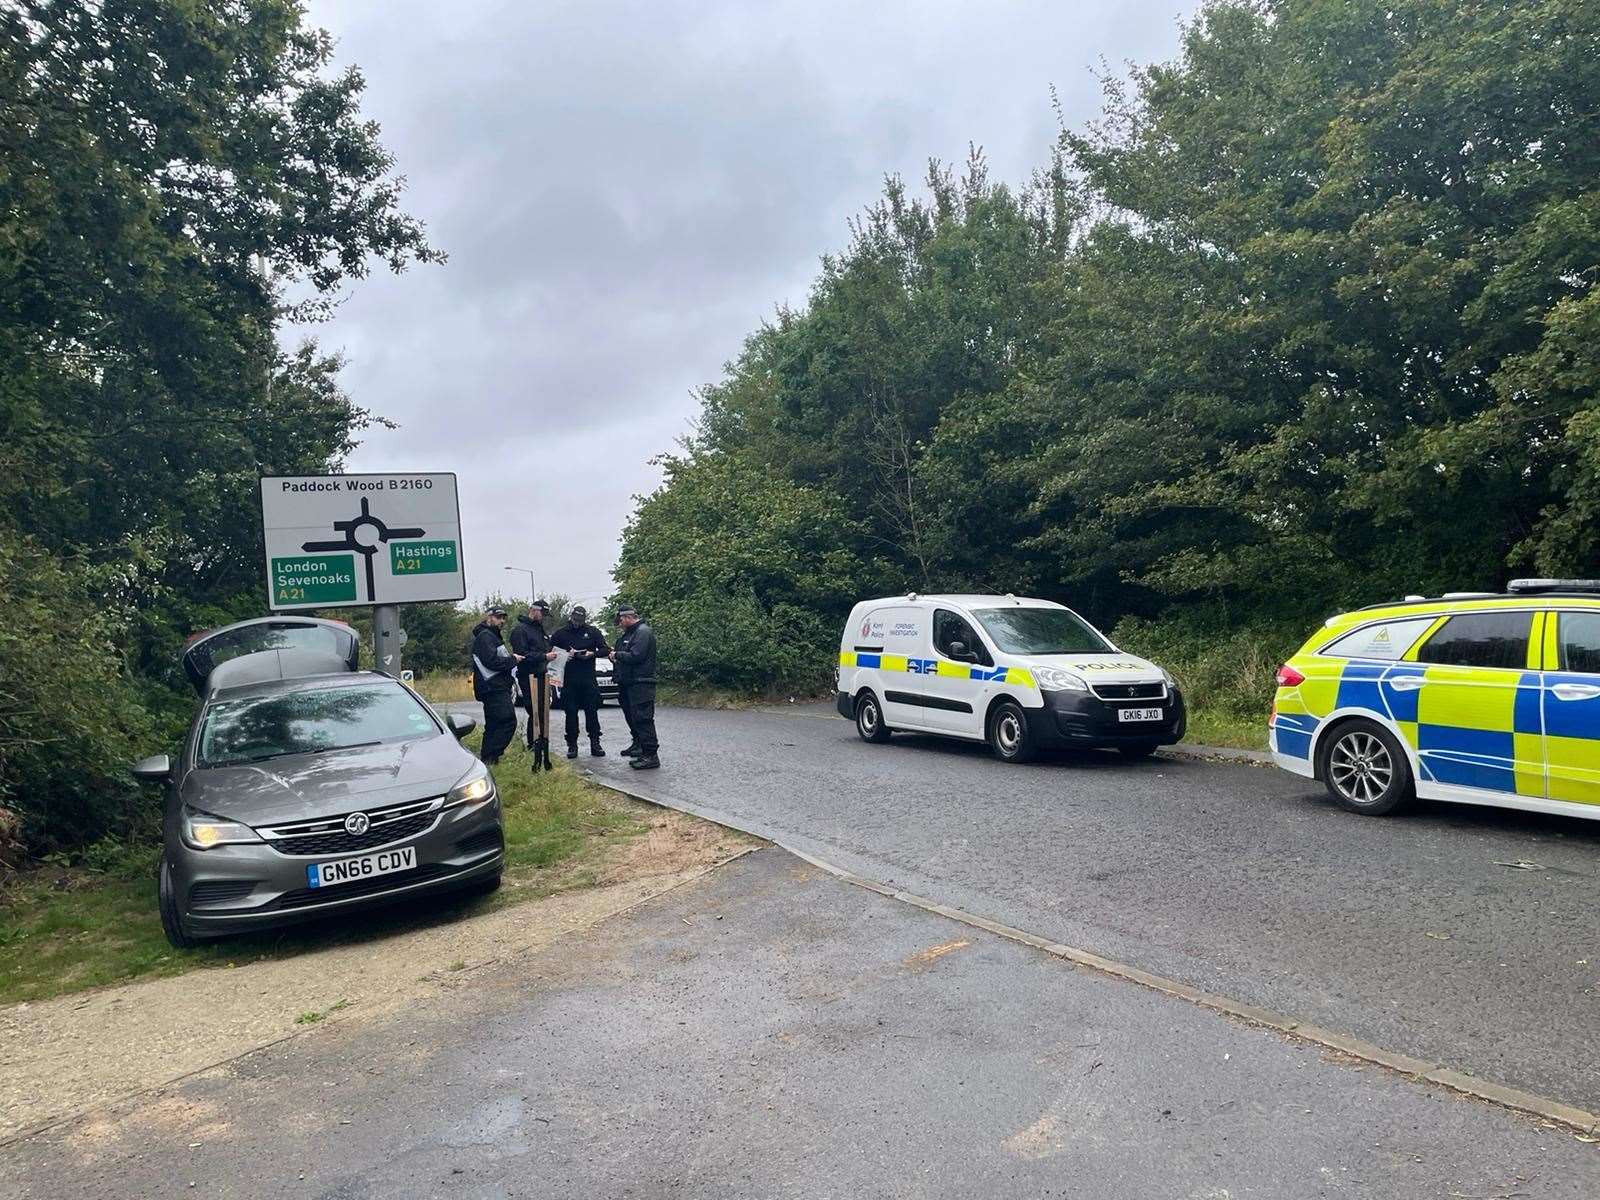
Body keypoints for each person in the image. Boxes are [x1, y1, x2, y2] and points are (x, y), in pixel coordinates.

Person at [550, 605, 610, 758]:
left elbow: (605, 649)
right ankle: (572, 745)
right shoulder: (561, 633)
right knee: (570, 713)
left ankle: (595, 743)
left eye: (581, 620)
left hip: (588, 679)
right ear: (571, 617)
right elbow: (550, 653)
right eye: (576, 619)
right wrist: (566, 655)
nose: (578, 622)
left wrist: (592, 654)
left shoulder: (592, 631)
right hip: (569, 680)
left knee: (592, 712)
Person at [509, 601, 559, 770]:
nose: (543, 617)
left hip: (542, 673)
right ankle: (533, 745)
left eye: (545, 614)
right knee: (534, 710)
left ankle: (542, 744)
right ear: (533, 611)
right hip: (528, 675)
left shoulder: (540, 629)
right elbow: (522, 654)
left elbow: (546, 648)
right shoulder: (520, 630)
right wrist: (544, 656)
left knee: (543, 711)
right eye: (542, 613)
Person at [611, 605, 659, 770]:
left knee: (644, 719)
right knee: (635, 718)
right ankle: (641, 748)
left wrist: (617, 655)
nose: (620, 624)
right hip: (630, 683)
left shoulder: (643, 632)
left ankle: (651, 755)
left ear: (627, 617)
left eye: (621, 620)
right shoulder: (631, 633)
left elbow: (636, 656)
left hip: (641, 683)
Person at [470, 605, 516, 765]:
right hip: (492, 687)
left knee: (494, 724)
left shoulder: (492, 636)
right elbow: (491, 661)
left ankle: (488, 759)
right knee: (508, 720)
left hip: (495, 686)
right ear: (489, 617)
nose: (501, 621)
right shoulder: (485, 636)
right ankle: (491, 756)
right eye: (498, 617)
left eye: (503, 618)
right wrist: (513, 659)